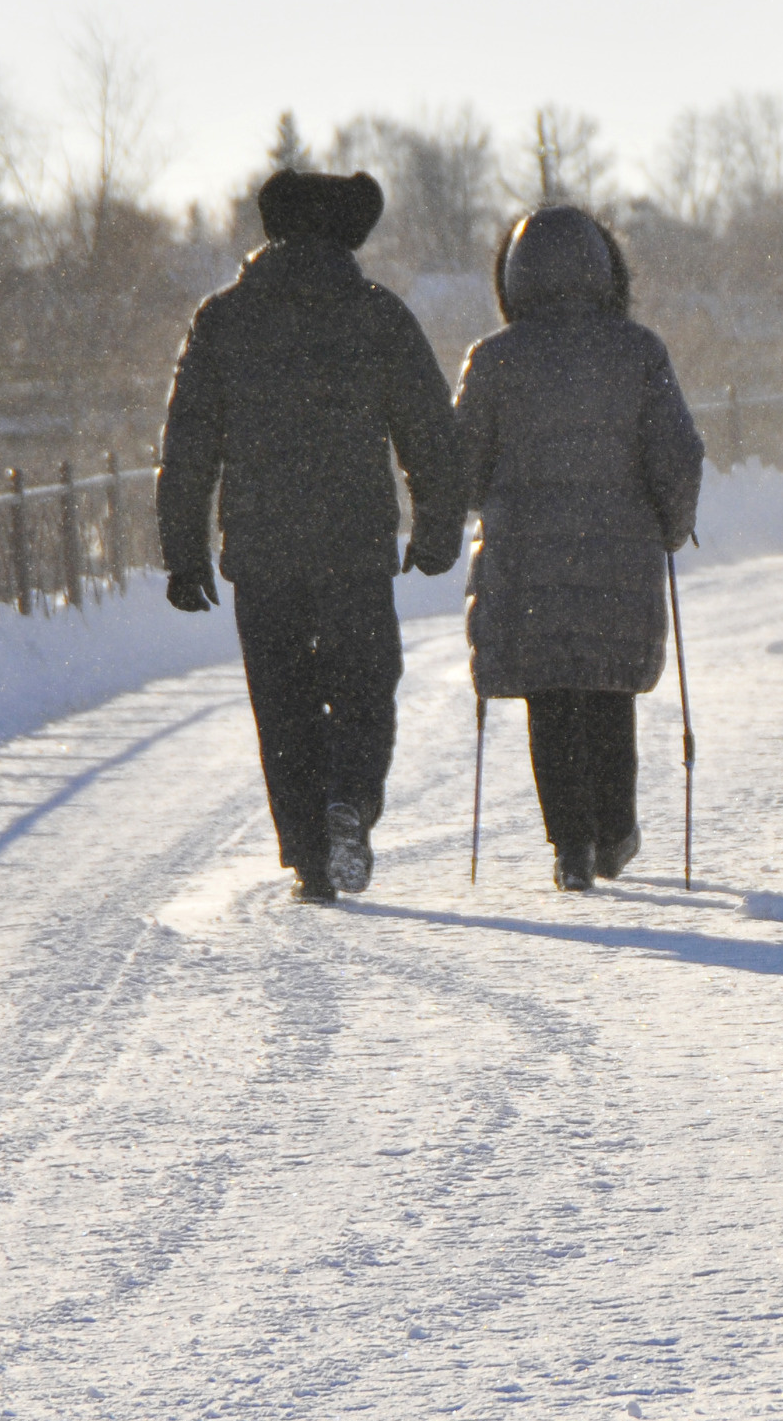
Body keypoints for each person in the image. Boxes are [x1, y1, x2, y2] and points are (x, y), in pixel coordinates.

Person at [157, 168, 464, 903]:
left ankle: (305, 853)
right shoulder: (377, 316)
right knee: (365, 688)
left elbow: (189, 442)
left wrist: (183, 550)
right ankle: (350, 804)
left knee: (283, 701)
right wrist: (436, 526)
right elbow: (428, 431)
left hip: (262, 552)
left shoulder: (224, 319)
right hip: (355, 546)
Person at [457, 205, 702, 892]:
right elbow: (677, 454)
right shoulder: (637, 352)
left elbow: (463, 466)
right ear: (605, 269)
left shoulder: (494, 360)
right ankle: (613, 832)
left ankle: (568, 841)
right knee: (604, 690)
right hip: (617, 552)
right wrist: (671, 523)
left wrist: (492, 501)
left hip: (525, 556)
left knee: (550, 697)